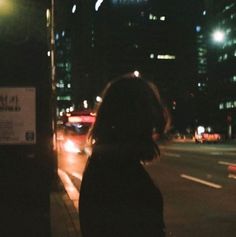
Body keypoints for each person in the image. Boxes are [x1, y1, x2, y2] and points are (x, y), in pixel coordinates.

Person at [79, 76, 170, 237]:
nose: (152, 130)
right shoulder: (122, 174)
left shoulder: (103, 163)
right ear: (136, 120)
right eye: (150, 120)